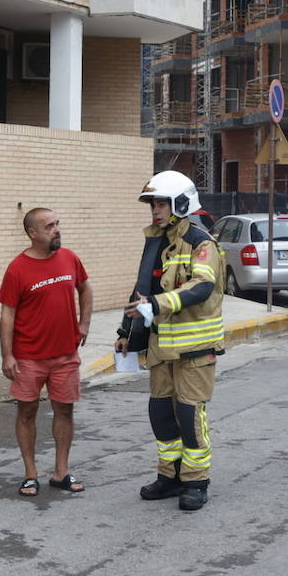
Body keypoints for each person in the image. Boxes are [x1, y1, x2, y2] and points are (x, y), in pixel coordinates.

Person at [115, 170, 224, 512]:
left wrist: (158, 305)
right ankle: (170, 477)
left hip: (194, 350)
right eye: (152, 204)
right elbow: (141, 289)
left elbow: (202, 285)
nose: (155, 211)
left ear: (181, 203)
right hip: (161, 349)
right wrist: (125, 334)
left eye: (161, 203)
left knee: (189, 416)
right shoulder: (156, 241)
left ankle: (196, 481)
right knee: (161, 413)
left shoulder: (201, 243)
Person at [0, 207, 94, 498]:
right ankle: (30, 474)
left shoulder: (69, 258)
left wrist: (84, 324)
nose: (57, 230)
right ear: (32, 233)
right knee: (26, 411)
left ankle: (61, 472)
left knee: (65, 410)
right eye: (50, 226)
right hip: (28, 356)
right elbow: (7, 315)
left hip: (65, 354)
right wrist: (7, 355)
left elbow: (86, 288)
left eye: (57, 224)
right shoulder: (18, 268)